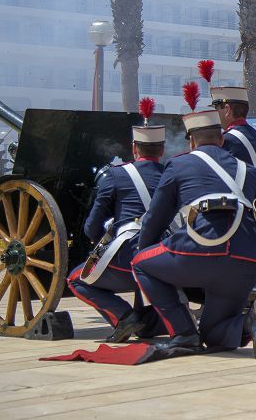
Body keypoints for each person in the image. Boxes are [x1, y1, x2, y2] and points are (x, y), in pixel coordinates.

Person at [132, 96, 256, 357]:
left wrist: (147, 252)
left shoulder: (179, 165)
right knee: (215, 333)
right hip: (247, 261)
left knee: (140, 262)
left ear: (192, 141)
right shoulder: (246, 171)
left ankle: (184, 334)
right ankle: (250, 322)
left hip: (200, 252)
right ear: (221, 139)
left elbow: (154, 219)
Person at [67, 97, 166, 343]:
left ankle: (123, 317)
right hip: (167, 257)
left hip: (130, 257)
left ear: (134, 148)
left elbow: (91, 228)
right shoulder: (171, 173)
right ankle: (151, 319)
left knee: (76, 280)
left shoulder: (115, 176)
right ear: (162, 150)